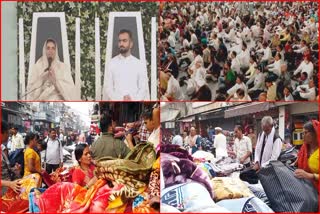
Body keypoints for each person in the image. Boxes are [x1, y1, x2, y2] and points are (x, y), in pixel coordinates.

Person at [103, 29, 150, 101]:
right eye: (119, 41)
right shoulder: (111, 63)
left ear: (131, 44)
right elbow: (108, 88)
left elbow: (143, 88)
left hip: (135, 104)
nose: (121, 44)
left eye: (124, 41)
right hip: (117, 103)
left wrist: (133, 99)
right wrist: (120, 99)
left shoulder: (139, 64)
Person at [293, 121, 318, 187]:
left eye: (305, 133)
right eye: (302, 133)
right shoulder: (304, 148)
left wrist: (310, 176)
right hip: (306, 186)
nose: (302, 136)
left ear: (315, 133)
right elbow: (297, 162)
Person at [2, 121, 21, 195]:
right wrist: (9, 183)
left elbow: (5, 170)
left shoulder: (2, 149)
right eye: (7, 133)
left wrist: (15, 170)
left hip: (7, 193)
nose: (8, 136)